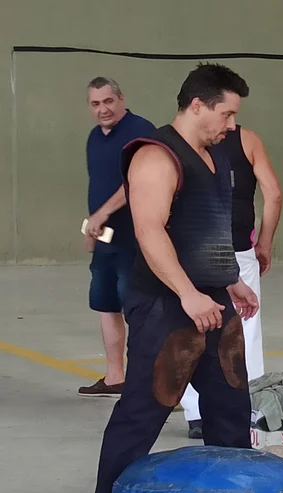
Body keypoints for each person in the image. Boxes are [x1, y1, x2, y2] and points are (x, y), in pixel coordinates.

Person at [86, 63, 260, 493]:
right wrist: (187, 293)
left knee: (231, 409)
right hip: (167, 304)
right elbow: (150, 231)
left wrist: (230, 279)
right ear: (197, 105)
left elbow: (205, 228)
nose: (231, 125)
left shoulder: (215, 155)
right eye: (226, 114)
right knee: (144, 411)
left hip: (213, 300)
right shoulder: (155, 156)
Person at [179, 124, 283, 439]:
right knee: (245, 329)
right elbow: (273, 193)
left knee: (195, 328)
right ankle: (249, 409)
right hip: (237, 248)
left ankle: (197, 414)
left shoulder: (179, 138)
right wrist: (264, 243)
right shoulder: (247, 139)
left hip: (193, 250)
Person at [79, 77, 156, 397]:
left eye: (108, 101)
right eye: (95, 104)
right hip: (106, 241)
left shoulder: (141, 132)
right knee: (105, 305)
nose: (103, 109)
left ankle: (146, 383)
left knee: (138, 310)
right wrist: (92, 227)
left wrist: (101, 215)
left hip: (136, 241)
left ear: (121, 99)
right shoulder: (94, 138)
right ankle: (115, 377)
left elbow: (137, 184)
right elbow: (98, 185)